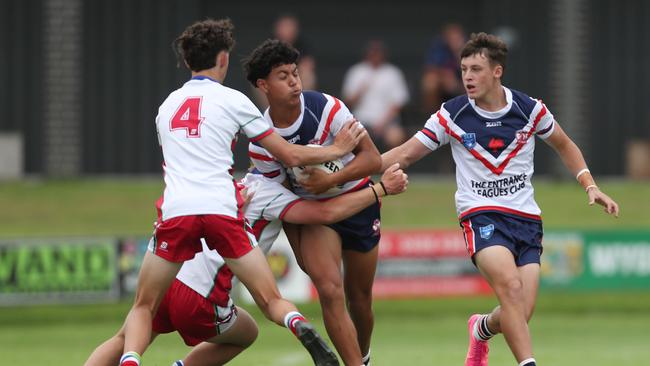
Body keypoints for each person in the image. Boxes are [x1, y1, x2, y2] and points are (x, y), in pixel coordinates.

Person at [115, 19, 367, 366]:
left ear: (188, 61)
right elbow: (294, 161)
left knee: (137, 314)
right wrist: (346, 159)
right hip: (218, 220)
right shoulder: (239, 116)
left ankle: (130, 359)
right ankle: (295, 321)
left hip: (176, 222)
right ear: (223, 59)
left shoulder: (167, 106)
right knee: (268, 303)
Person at [380, 32, 619, 366]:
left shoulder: (529, 110)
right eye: (463, 69)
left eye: (476, 69)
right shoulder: (452, 115)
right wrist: (353, 171)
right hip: (481, 215)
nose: (467, 77)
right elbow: (404, 154)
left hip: (526, 220)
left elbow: (565, 144)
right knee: (510, 287)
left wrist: (590, 185)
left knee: (520, 312)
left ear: (497, 71)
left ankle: (481, 328)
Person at [84, 165, 408, 366]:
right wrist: (379, 189)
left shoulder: (227, 181)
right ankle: (293, 322)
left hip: (168, 275)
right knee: (248, 331)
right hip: (204, 296)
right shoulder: (272, 192)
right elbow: (325, 214)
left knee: (123, 338)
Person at [244, 39, 383, 366]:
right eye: (283, 76)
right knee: (330, 289)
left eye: (295, 73)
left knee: (360, 299)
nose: (294, 81)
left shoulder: (328, 108)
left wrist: (330, 179)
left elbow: (373, 160)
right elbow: (281, 202)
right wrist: (302, 252)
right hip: (315, 217)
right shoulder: (262, 141)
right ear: (263, 85)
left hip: (359, 201)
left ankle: (362, 357)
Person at [342, 40, 410, 150]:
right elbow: (348, 101)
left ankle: (392, 167)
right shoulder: (357, 71)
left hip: (387, 123)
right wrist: (360, 91)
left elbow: (398, 103)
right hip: (360, 121)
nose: (375, 56)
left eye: (378, 53)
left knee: (396, 136)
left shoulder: (393, 73)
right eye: (372, 52)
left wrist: (382, 124)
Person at [420, 23, 466, 117]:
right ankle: (433, 116)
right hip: (445, 84)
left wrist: (458, 53)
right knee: (430, 81)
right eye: (452, 38)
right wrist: (446, 76)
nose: (454, 41)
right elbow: (430, 68)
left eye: (457, 38)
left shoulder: (469, 49)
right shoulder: (440, 49)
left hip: (465, 82)